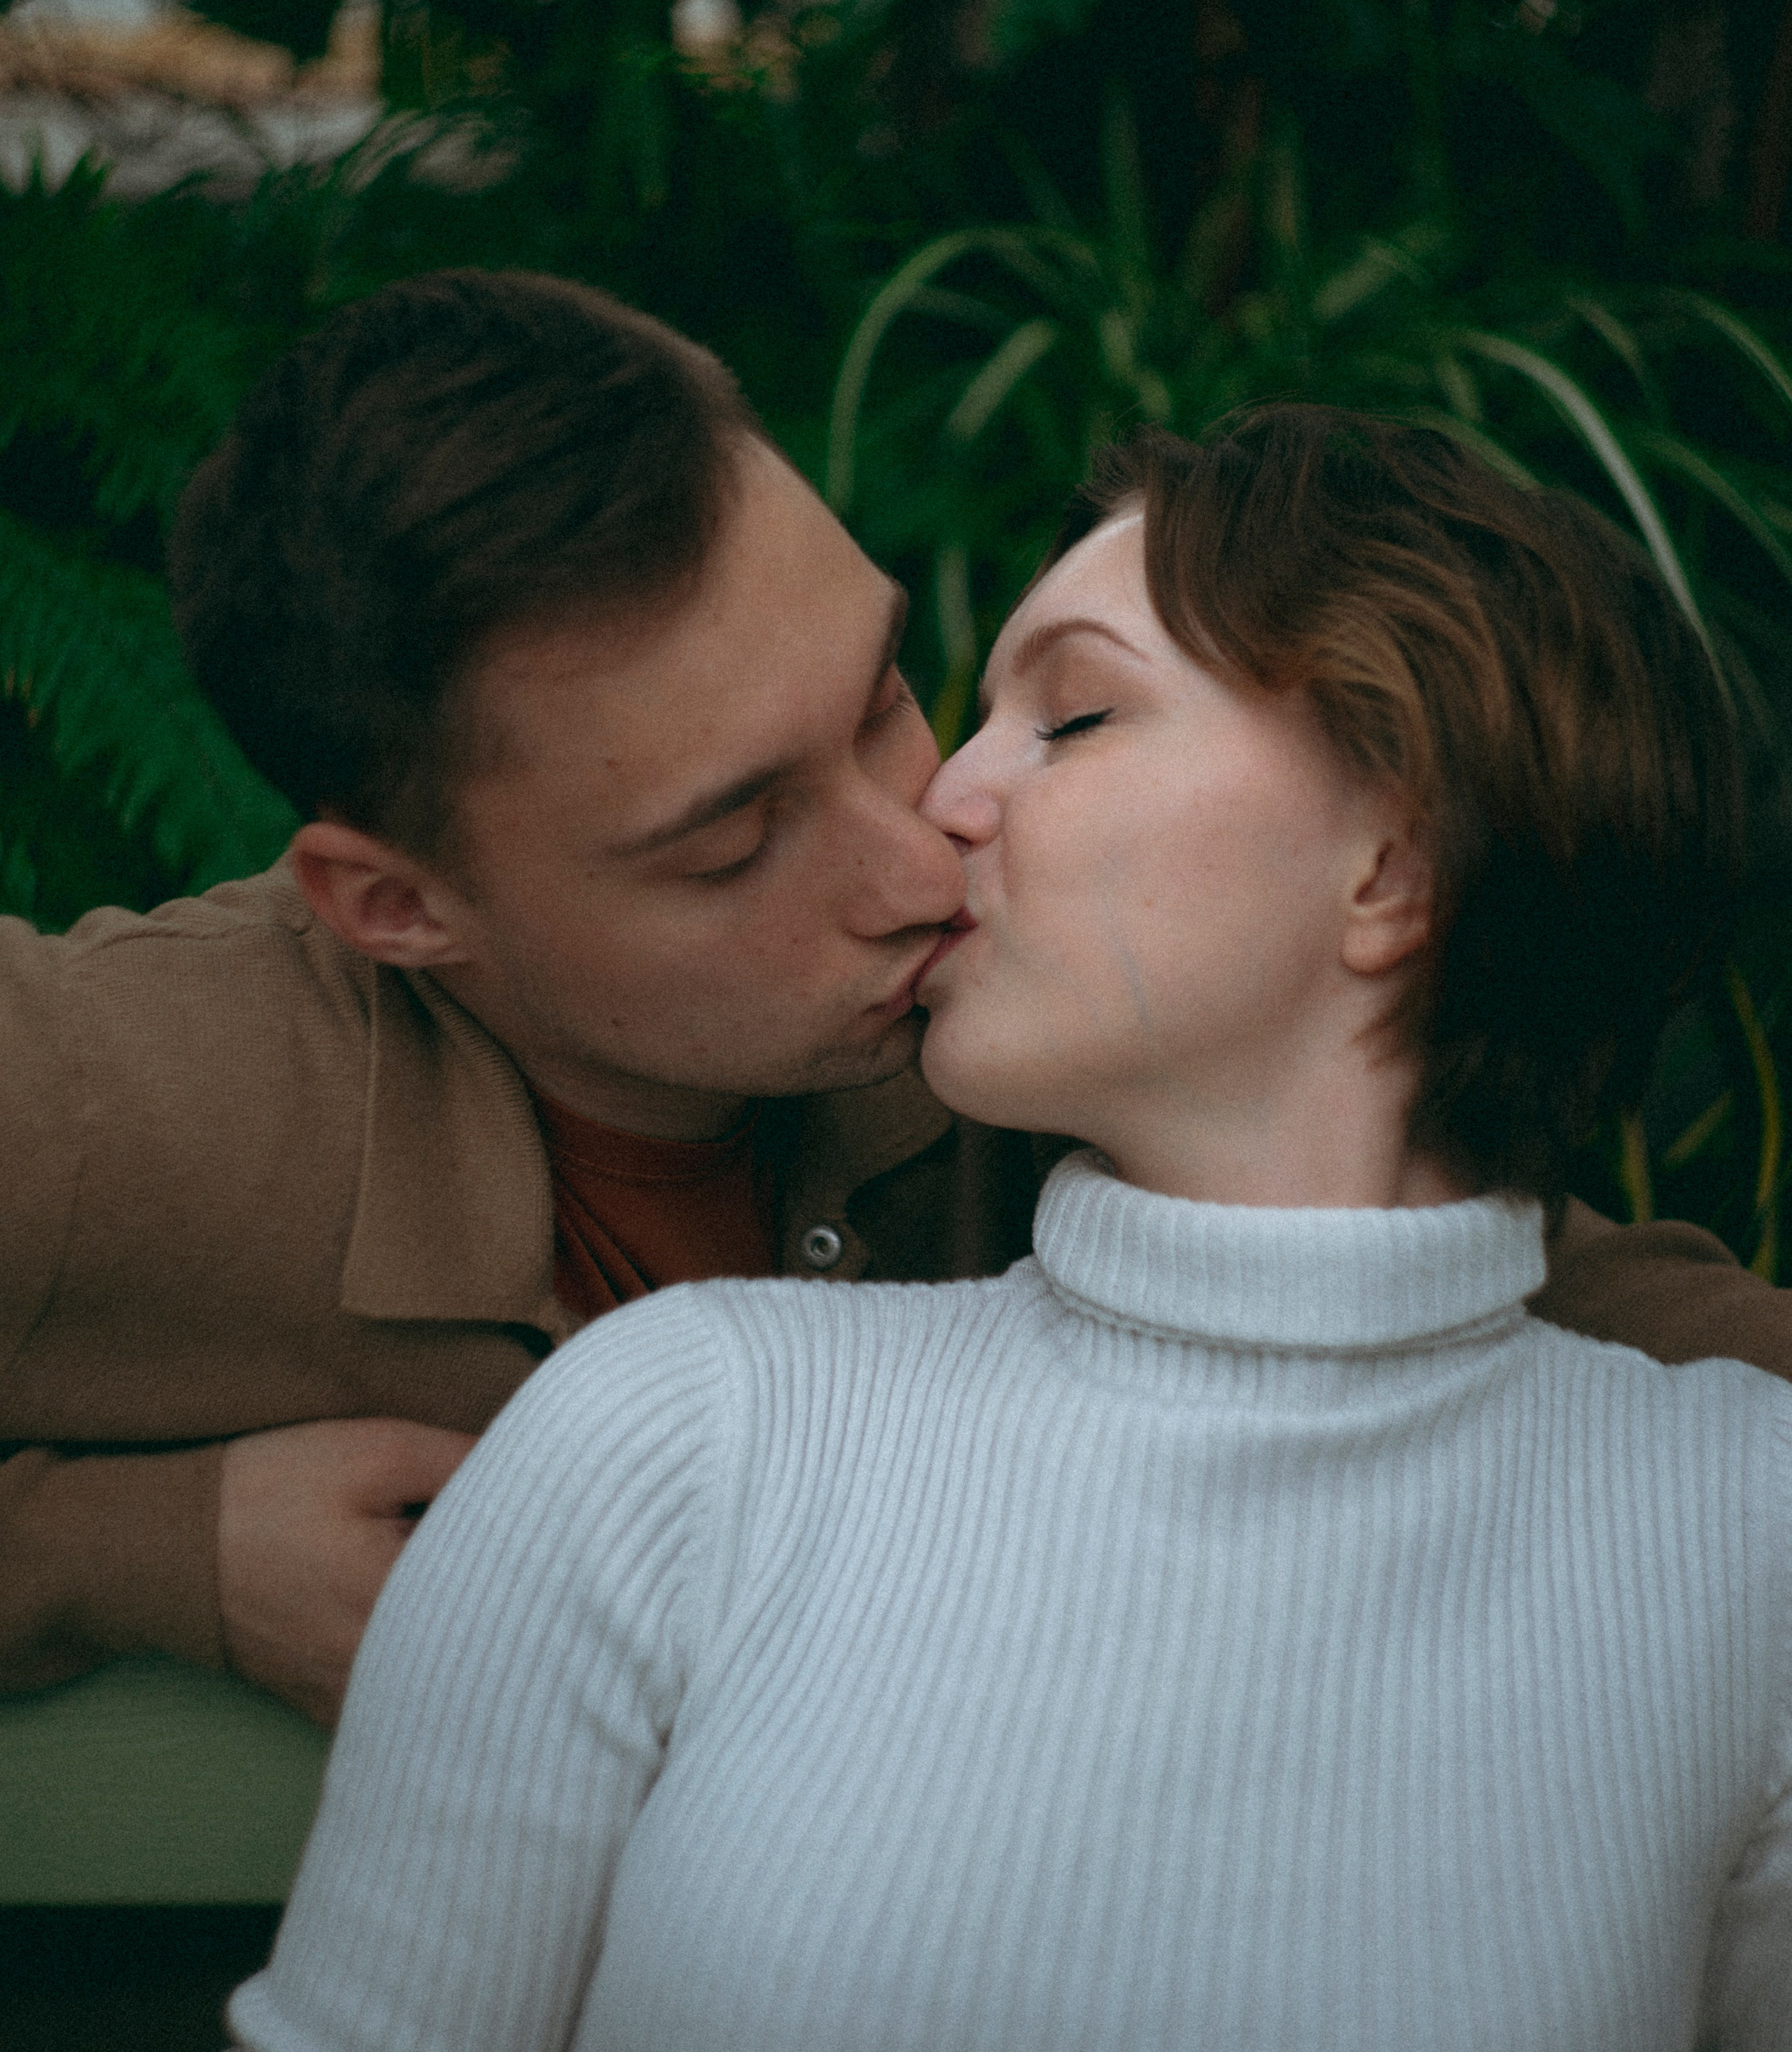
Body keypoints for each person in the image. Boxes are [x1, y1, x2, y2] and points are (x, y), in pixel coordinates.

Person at [0, 276, 1782, 1728]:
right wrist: (129, 1546)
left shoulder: (1053, 1049)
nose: (924, 856)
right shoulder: (93, 1098)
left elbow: (1536, 1297)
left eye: (874, 700)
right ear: (400, 907)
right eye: (731, 843)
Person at [232, 409, 1790, 2051]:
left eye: (1077, 714)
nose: (943, 806)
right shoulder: (685, 1425)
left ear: (1392, 864)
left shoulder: (1746, 1533)